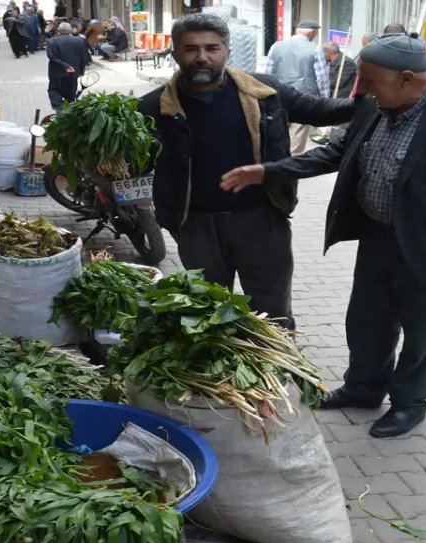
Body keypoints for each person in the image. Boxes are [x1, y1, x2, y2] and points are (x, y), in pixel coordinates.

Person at [219, 34, 426, 436]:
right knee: (366, 320)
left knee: (425, 333)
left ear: (407, 79)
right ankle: (363, 387)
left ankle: (410, 403)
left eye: (371, 81)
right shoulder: (376, 106)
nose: (361, 89)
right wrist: (270, 171)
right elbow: (339, 151)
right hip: (379, 237)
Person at [138, 13, 354, 327]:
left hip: (262, 221)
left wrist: (370, 101)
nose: (202, 57)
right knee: (209, 313)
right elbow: (133, 163)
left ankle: (277, 371)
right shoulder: (153, 107)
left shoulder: (264, 91)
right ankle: (222, 374)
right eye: (191, 49)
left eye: (211, 48)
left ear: (228, 52)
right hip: (196, 226)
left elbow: (319, 111)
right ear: (174, 53)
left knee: (271, 314)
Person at [265, 20, 322, 154]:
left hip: (278, 95)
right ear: (312, 32)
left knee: (279, 132)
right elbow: (321, 77)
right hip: (305, 97)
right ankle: (291, 167)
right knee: (297, 135)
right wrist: (323, 99)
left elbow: (267, 73)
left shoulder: (276, 46)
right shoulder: (315, 48)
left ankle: (278, 164)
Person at [311, 41, 358, 144]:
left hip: (341, 97)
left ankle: (334, 140)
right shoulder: (327, 62)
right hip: (331, 96)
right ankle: (326, 135)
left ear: (328, 52)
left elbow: (337, 83)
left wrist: (322, 84)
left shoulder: (346, 63)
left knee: (338, 124)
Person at [47, 22, 91, 110]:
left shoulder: (52, 41)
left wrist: (64, 66)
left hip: (57, 74)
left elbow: (51, 56)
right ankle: (68, 112)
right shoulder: (80, 41)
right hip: (73, 74)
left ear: (58, 30)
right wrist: (81, 72)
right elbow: (83, 58)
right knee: (70, 97)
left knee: (54, 91)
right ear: (70, 30)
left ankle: (60, 109)